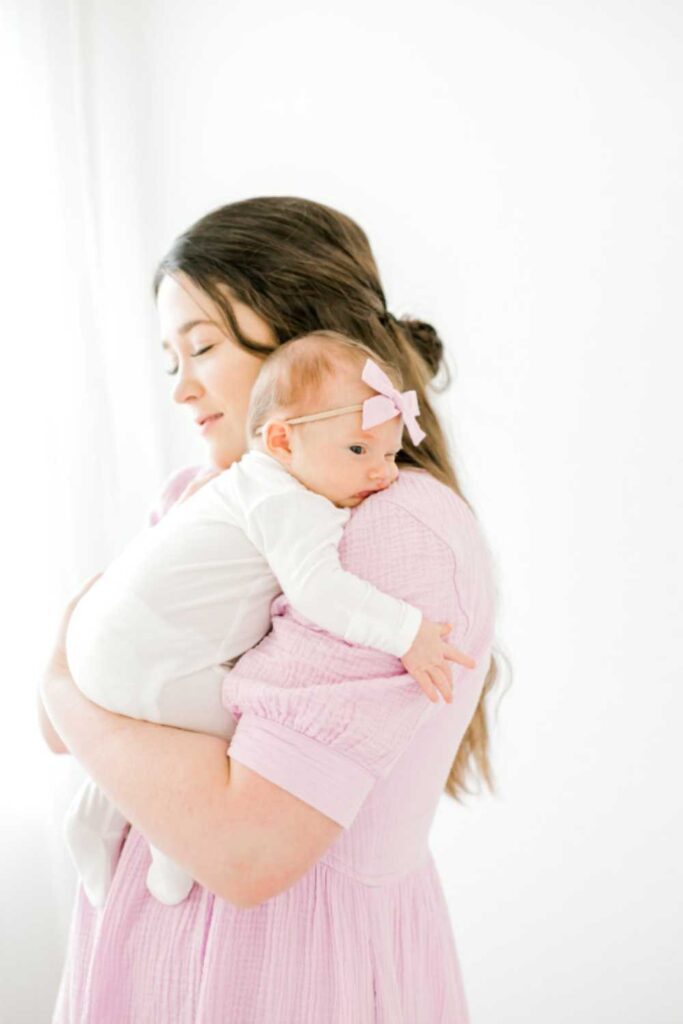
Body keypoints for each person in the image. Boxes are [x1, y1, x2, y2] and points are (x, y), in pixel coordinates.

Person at [40, 195, 501, 1023]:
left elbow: (244, 850)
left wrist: (63, 679)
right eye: (168, 360)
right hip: (145, 967)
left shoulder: (396, 531)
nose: (182, 389)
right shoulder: (203, 496)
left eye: (203, 347)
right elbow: (64, 731)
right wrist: (72, 694)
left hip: (278, 981)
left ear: (304, 343)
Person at [63, 330, 477, 909]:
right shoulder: (288, 500)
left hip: (105, 644)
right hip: (139, 658)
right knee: (241, 735)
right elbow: (321, 592)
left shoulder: (256, 485)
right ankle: (166, 840)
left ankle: (96, 811)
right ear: (282, 440)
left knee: (172, 730)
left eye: (389, 452)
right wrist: (408, 632)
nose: (383, 473)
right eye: (359, 451)